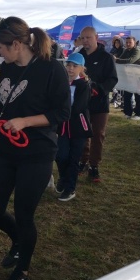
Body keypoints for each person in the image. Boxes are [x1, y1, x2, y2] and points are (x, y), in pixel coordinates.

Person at [0, 16, 70, 280]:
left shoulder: (52, 69)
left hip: (37, 152)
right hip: (6, 149)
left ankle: (22, 270)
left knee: (24, 213)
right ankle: (19, 241)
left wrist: (26, 122)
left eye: (1, 47)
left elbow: (62, 113)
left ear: (17, 44)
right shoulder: (6, 68)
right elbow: (8, 105)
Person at [78, 27, 118, 182]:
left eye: (88, 37)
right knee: (82, 132)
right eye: (83, 38)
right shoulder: (78, 56)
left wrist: (98, 89)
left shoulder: (106, 57)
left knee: (98, 134)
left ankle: (94, 165)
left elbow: (112, 79)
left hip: (100, 103)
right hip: (82, 103)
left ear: (96, 37)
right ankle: (83, 161)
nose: (85, 40)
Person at [55, 53, 92, 201]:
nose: (70, 68)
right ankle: (63, 178)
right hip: (63, 125)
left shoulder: (84, 85)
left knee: (74, 158)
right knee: (61, 156)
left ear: (81, 68)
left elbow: (78, 107)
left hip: (78, 127)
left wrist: (61, 109)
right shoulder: (61, 82)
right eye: (68, 65)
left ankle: (70, 188)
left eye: (74, 66)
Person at [115, 36, 140, 120]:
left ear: (134, 42)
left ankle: (139, 114)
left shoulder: (138, 50)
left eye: (130, 42)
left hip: (138, 76)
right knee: (127, 94)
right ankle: (128, 112)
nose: (128, 44)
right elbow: (121, 58)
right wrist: (117, 59)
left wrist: (116, 60)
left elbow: (130, 60)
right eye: (126, 42)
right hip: (129, 76)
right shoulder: (125, 50)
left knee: (138, 95)